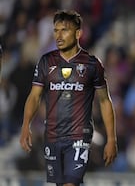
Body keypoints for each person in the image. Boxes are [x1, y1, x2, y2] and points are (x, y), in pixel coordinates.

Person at [19, 10, 117, 186]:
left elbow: (104, 100)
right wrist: (26, 125)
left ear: (78, 33)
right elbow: (34, 96)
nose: (59, 35)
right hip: (52, 135)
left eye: (64, 30)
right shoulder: (46, 62)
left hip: (80, 135)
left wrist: (111, 139)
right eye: (56, 30)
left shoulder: (92, 64)